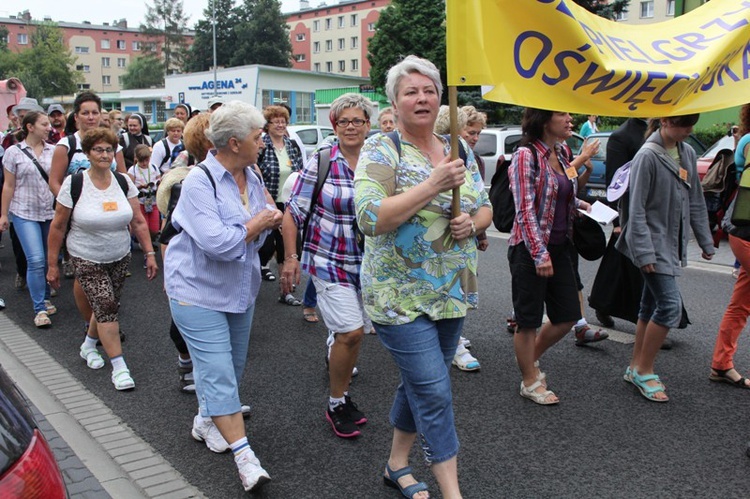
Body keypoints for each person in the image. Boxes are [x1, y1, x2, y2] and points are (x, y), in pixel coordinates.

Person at [354, 55, 491, 499]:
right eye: (411, 91)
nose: (422, 98)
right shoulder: (382, 148)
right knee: (433, 389)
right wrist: (432, 184)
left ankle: (396, 464)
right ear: (394, 101)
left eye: (429, 89)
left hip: (451, 290)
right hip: (398, 295)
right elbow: (370, 217)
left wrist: (474, 222)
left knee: (418, 382)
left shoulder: (459, 148)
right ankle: (453, 492)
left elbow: (485, 205)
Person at [164, 101, 279, 492]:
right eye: (257, 136)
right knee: (217, 371)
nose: (263, 142)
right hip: (195, 292)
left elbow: (259, 234)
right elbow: (217, 243)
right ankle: (246, 459)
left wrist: (263, 225)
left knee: (231, 366)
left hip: (239, 289)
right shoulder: (200, 181)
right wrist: (260, 222)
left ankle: (205, 419)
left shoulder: (254, 175)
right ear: (234, 142)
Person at [282, 93, 373, 438]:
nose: (351, 127)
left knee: (352, 335)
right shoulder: (321, 161)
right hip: (328, 261)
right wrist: (291, 259)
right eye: (344, 121)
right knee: (350, 331)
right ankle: (337, 403)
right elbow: (292, 213)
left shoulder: (377, 162)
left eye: (358, 121)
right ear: (334, 126)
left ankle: (340, 378)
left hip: (369, 264)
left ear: (368, 125)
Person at [47, 127, 158, 390]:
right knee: (106, 306)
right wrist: (52, 264)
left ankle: (88, 346)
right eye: (98, 149)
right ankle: (119, 367)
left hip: (119, 255)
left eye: (109, 149)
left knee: (107, 306)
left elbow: (139, 221)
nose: (105, 154)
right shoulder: (74, 183)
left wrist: (150, 253)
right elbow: (58, 226)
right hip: (85, 256)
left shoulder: (123, 181)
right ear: (87, 153)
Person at [616, 114, 714, 402]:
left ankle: (636, 367)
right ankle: (645, 370)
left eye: (692, 122)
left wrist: (706, 241)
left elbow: (695, 199)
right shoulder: (647, 155)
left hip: (670, 243)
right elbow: (636, 210)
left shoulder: (687, 152)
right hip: (652, 245)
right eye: (685, 123)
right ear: (666, 121)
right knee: (670, 307)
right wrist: (644, 252)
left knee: (650, 305)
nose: (690, 129)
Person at [508, 108, 591, 406]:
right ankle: (529, 380)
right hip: (530, 249)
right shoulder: (525, 155)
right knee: (527, 320)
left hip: (560, 247)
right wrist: (538, 252)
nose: (570, 120)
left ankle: (529, 362)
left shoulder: (564, 152)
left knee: (567, 316)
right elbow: (525, 209)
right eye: (562, 114)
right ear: (544, 120)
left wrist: (584, 205)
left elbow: (561, 191)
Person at [434, 105, 480, 372]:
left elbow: (480, 200)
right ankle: (447, 345)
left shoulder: (460, 147)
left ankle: (454, 343)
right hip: (428, 244)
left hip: (460, 240)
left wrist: (477, 227)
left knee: (456, 292)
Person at [0, 111, 56, 327]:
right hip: (24, 212)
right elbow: (8, 185)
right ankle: (40, 309)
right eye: (44, 124)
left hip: (49, 212)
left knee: (47, 260)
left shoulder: (54, 151)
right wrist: (4, 214)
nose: (49, 127)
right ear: (30, 127)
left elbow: (57, 181)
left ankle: (45, 297)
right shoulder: (13, 152)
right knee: (35, 259)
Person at [711, 106, 750, 388]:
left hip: (742, 231)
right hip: (746, 232)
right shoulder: (749, 142)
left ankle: (721, 364)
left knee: (741, 304)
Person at [257, 105, 305, 304]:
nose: (280, 124)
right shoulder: (261, 145)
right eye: (275, 121)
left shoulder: (292, 145)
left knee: (288, 247)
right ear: (267, 125)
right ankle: (249, 281)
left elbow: (301, 172)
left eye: (283, 121)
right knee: (264, 247)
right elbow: (253, 172)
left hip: (288, 204)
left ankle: (286, 292)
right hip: (265, 204)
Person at [127, 144, 161, 247]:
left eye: (147, 160)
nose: (145, 163)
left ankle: (146, 240)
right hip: (140, 201)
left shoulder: (153, 167)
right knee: (144, 226)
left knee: (155, 228)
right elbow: (130, 188)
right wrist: (140, 187)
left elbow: (159, 179)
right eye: (142, 161)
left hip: (153, 200)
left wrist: (159, 183)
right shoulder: (132, 170)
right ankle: (146, 245)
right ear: (136, 159)